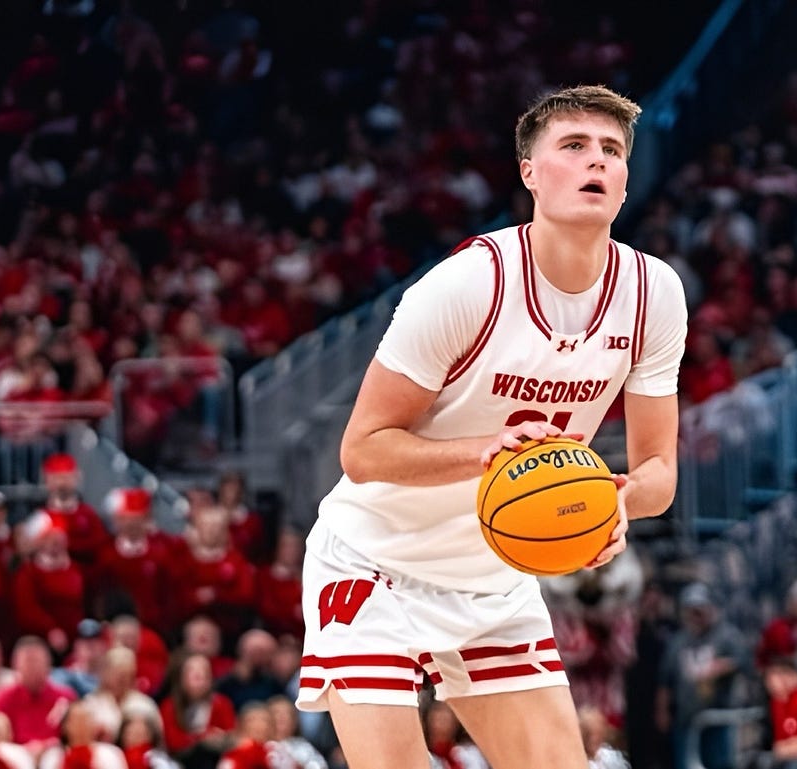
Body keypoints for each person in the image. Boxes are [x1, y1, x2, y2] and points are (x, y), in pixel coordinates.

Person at [296, 84, 688, 769]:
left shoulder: (655, 294)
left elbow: (657, 473)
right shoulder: (467, 284)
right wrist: (483, 453)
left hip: (493, 574)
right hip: (374, 560)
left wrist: (613, 507)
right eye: (573, 146)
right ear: (529, 172)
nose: (596, 161)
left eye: (611, 150)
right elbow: (360, 449)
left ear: (625, 180)